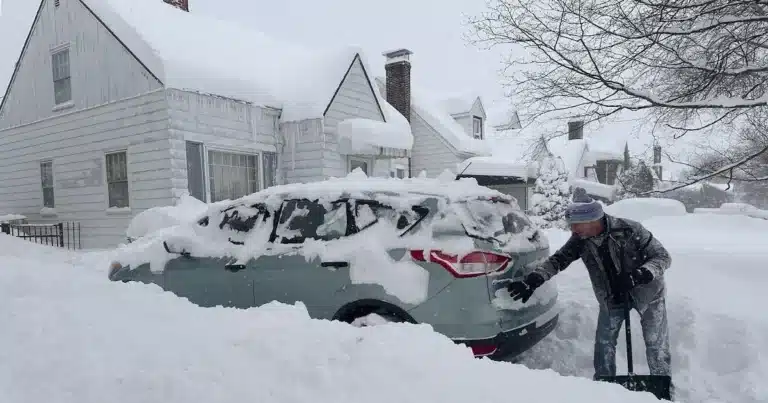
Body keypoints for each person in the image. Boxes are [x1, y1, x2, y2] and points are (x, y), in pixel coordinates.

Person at [507, 187, 672, 378]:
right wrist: (533, 280)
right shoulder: (580, 239)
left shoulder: (630, 230)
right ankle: (604, 383)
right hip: (611, 296)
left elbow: (662, 257)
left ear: (593, 220)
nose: (573, 229)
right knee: (604, 344)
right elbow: (558, 260)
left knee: (655, 342)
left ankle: (661, 384)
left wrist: (641, 274)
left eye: (576, 224)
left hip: (648, 293)